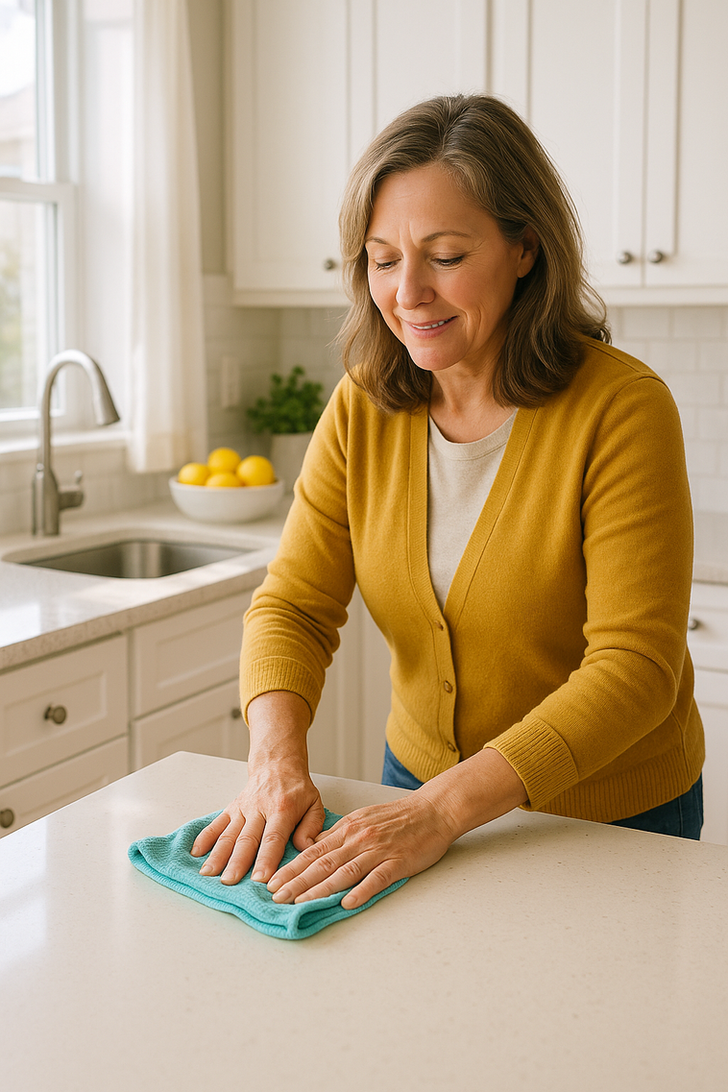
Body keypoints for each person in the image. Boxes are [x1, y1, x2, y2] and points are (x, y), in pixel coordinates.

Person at [191, 94, 704, 908]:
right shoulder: (364, 403)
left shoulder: (622, 408)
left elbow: (635, 671)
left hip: (608, 820)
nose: (410, 292)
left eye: (446, 255)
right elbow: (291, 605)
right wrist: (274, 763)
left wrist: (438, 811)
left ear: (525, 247)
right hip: (417, 796)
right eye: (384, 258)